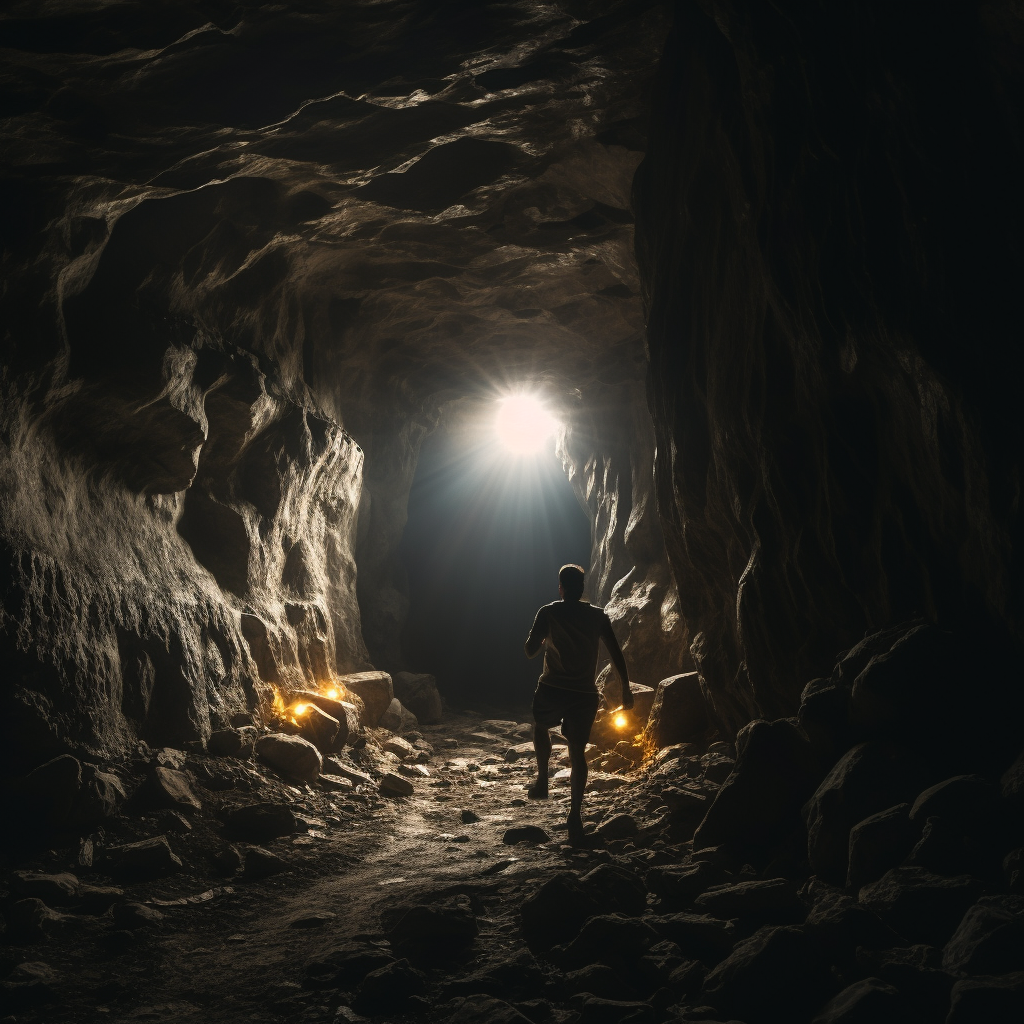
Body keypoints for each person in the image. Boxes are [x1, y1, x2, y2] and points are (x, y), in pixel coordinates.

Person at [524, 563, 632, 844]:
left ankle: (543, 780)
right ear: (582, 588)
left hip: (553, 688)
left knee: (539, 727)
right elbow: (616, 653)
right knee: (577, 752)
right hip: (584, 693)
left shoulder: (548, 612)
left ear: (560, 588)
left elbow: (530, 651)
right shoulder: (597, 616)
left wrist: (542, 638)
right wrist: (626, 687)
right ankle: (574, 815)